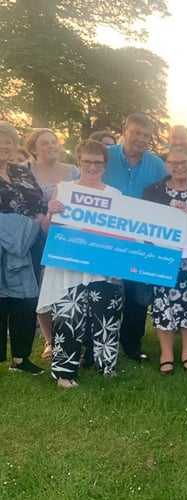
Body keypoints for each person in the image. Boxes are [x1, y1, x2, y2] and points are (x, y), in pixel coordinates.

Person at [39, 140, 123, 387]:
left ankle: (107, 366)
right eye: (87, 161)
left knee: (106, 318)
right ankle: (65, 373)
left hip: (102, 266)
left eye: (98, 162)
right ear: (79, 162)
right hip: (67, 265)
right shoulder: (63, 189)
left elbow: (121, 235)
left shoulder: (114, 195)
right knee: (67, 317)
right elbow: (48, 230)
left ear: (105, 166)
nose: (92, 166)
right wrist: (49, 212)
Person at [142, 146, 187, 374]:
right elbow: (146, 222)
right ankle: (166, 353)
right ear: (167, 166)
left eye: (184, 163)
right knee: (164, 303)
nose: (179, 167)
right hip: (165, 257)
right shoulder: (153, 191)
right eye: (174, 163)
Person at [102, 113, 167, 362]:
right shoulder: (105, 155)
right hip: (107, 237)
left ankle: (131, 344)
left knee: (137, 296)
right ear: (125, 130)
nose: (141, 139)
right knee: (103, 291)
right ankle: (99, 342)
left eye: (146, 135)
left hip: (141, 241)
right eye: (137, 132)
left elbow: (165, 198)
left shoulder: (156, 165)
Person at [24, 128, 81, 360]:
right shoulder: (25, 172)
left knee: (69, 287)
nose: (51, 146)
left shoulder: (72, 171)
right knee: (42, 287)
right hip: (36, 236)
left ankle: (73, 335)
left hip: (69, 239)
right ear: (34, 148)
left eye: (54, 142)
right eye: (45, 143)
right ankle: (50, 340)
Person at [0, 121, 47, 375]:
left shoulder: (22, 171)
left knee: (26, 301)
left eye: (8, 141)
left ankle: (20, 358)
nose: (3, 146)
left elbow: (38, 199)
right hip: (1, 247)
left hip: (29, 246)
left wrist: (39, 218)